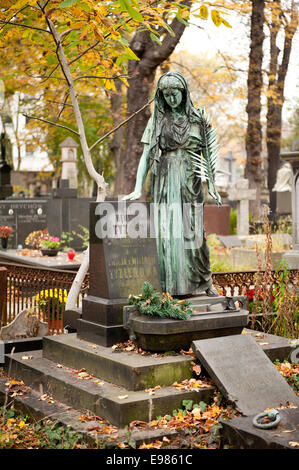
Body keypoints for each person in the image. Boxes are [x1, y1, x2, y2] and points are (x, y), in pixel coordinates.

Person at [123, 72, 221, 297]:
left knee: (193, 233)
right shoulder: (157, 120)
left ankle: (204, 281)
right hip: (166, 180)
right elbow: (147, 155)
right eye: (166, 95)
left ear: (183, 93)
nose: (171, 99)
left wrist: (212, 186)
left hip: (190, 181)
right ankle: (168, 286)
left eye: (174, 94)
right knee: (168, 233)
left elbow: (207, 155)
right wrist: (138, 188)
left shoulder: (198, 119)